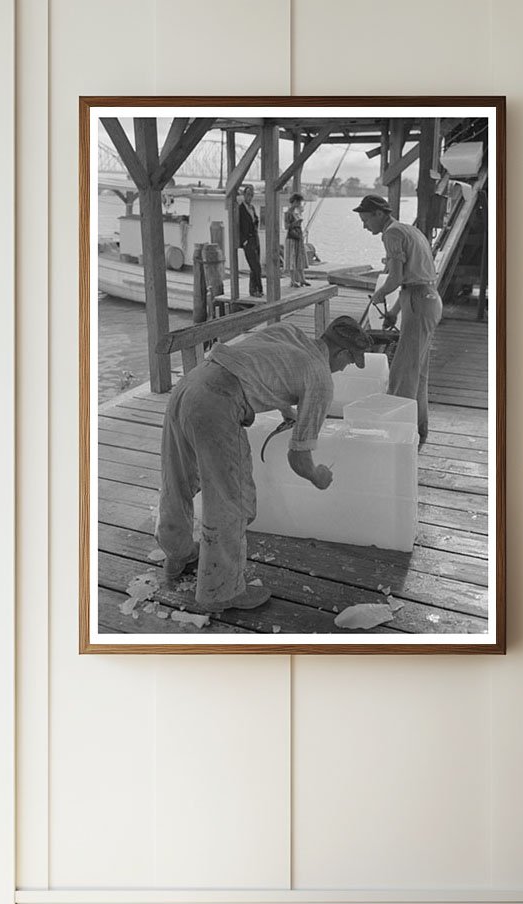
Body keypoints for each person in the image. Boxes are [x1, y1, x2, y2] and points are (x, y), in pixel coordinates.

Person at [156, 316, 371, 613]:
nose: (345, 368)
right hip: (217, 404)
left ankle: (177, 552)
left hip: (189, 385)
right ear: (342, 353)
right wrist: (317, 476)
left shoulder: (290, 332)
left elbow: (252, 364)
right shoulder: (321, 377)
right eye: (350, 361)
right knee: (231, 501)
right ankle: (221, 592)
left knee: (176, 480)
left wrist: (286, 409)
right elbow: (298, 458)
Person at [353, 193, 443, 445]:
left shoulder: (391, 233)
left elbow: (395, 279)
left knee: (402, 373)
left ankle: (398, 437)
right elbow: (414, 280)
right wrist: (393, 311)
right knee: (418, 372)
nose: (365, 226)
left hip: (418, 301)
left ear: (379, 214)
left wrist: (379, 294)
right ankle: (419, 430)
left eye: (366, 220)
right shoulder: (410, 230)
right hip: (428, 299)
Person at [238, 184, 264, 297]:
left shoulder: (252, 208)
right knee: (255, 267)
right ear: (244, 195)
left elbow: (255, 222)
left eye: (251, 195)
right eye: (248, 194)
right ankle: (258, 289)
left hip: (255, 238)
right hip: (248, 240)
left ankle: (253, 290)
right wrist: (244, 241)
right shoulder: (240, 209)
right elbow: (238, 226)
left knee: (256, 266)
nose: (250, 197)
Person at [284, 193, 309, 288]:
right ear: (294, 202)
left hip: (298, 237)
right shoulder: (288, 213)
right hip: (292, 238)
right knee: (292, 258)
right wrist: (295, 223)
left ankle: (302, 279)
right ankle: (292, 280)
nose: (299, 204)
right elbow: (286, 226)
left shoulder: (297, 212)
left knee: (300, 258)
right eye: (298, 202)